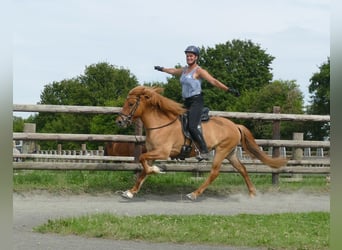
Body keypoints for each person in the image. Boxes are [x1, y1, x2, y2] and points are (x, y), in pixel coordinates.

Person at [154, 45, 240, 161]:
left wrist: (228, 89)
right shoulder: (184, 70)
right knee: (176, 122)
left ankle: (204, 151)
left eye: (191, 56)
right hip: (186, 102)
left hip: (196, 101)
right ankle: (182, 148)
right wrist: (161, 69)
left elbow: (213, 81)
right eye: (187, 56)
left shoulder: (199, 71)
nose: (189, 58)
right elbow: (173, 71)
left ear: (196, 57)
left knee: (192, 126)